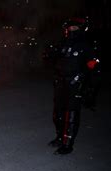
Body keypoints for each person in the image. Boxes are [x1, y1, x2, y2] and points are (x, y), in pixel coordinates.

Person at [46, 18, 99, 155]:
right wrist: (49, 53)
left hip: (75, 83)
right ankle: (59, 137)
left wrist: (88, 85)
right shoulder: (63, 43)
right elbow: (54, 59)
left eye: (74, 28)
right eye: (70, 28)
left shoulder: (85, 45)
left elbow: (93, 66)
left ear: (80, 29)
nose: (71, 30)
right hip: (60, 82)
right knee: (58, 113)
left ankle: (67, 144)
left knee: (71, 115)